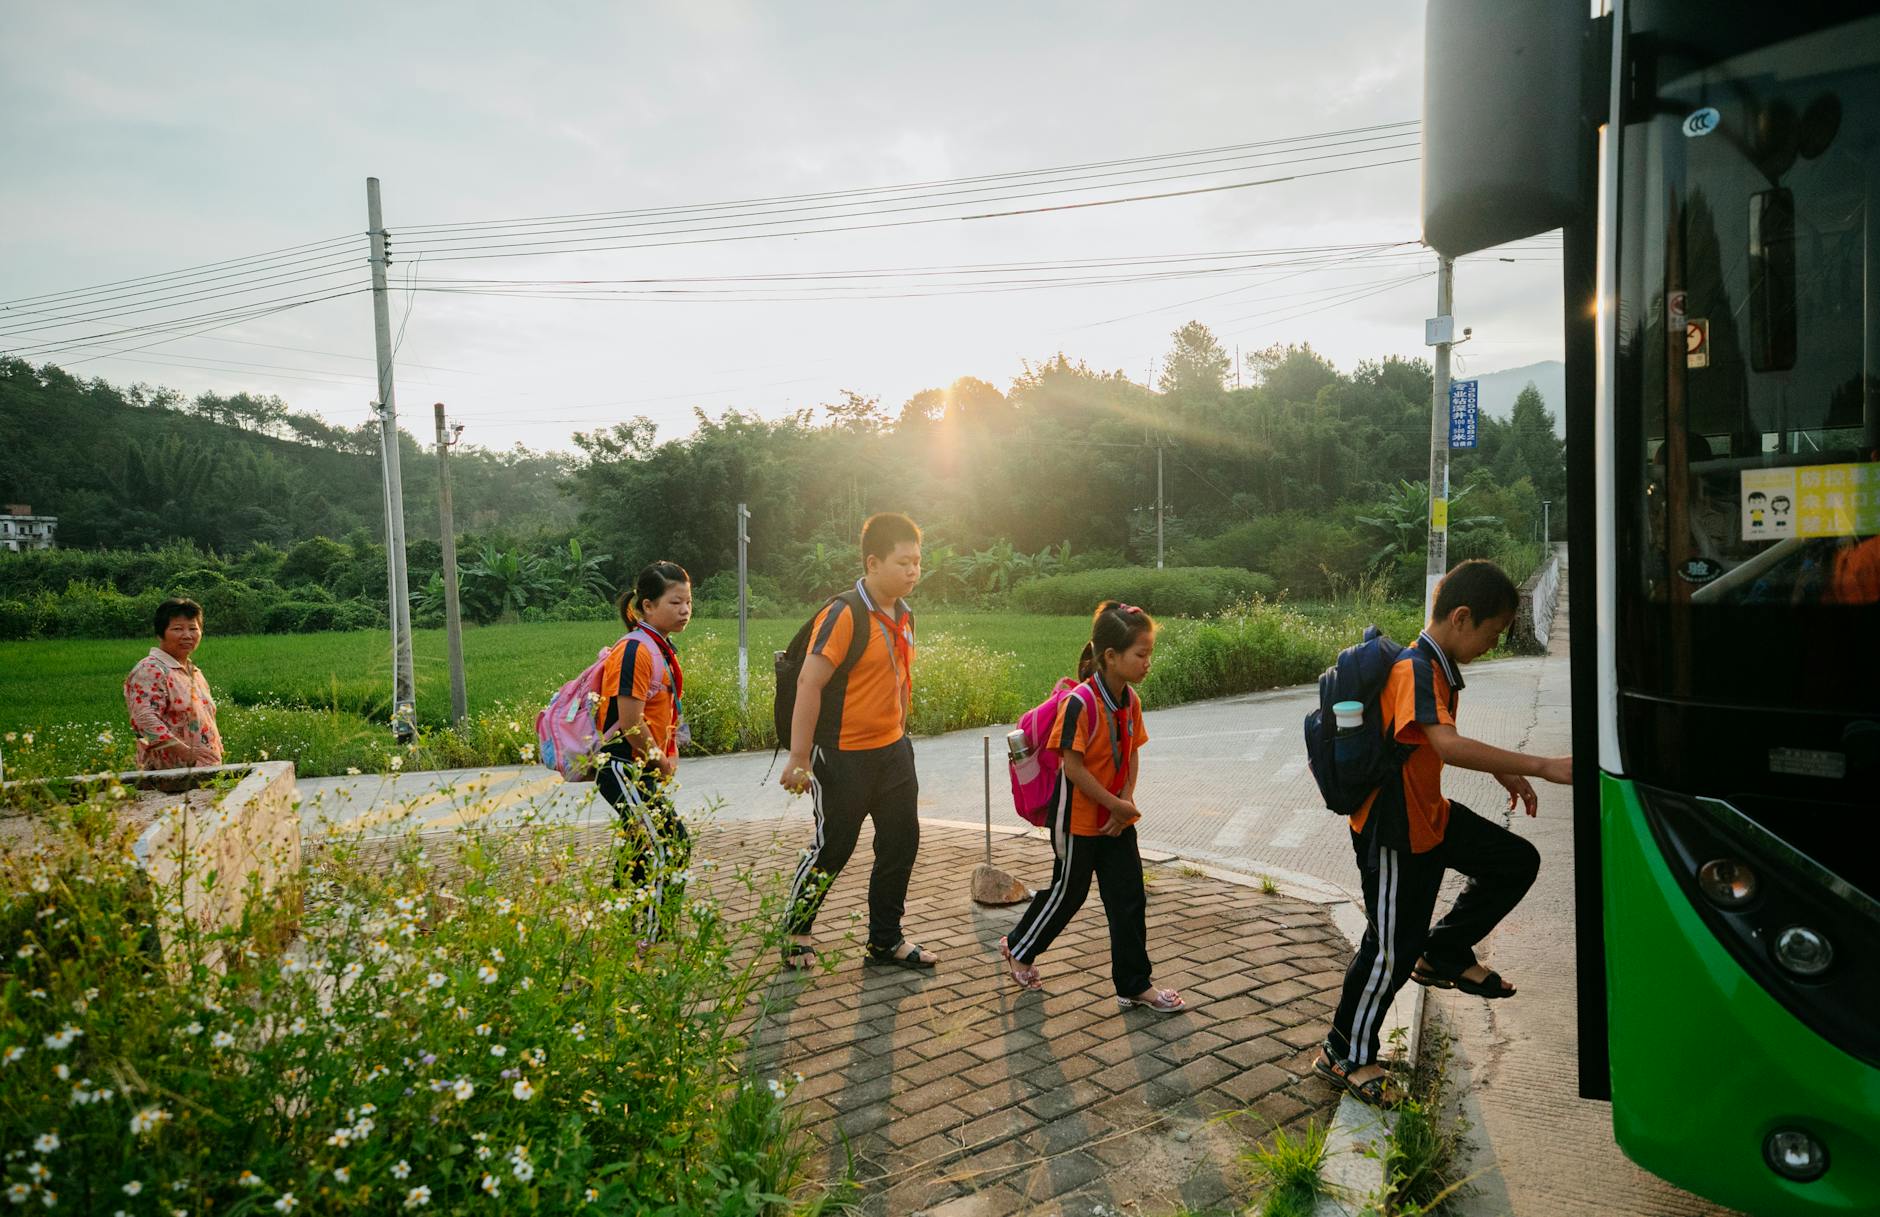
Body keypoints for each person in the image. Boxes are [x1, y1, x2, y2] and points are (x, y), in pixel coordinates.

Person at [1315, 560, 1571, 1107]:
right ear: (1461, 617)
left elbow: (1435, 740)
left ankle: (1447, 952)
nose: (1492, 644)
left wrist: (1503, 768)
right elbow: (1448, 745)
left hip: (1428, 813)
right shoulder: (1416, 669)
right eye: (1492, 632)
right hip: (1393, 829)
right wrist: (1544, 765)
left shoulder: (1435, 666)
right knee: (1390, 949)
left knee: (1513, 861)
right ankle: (1344, 1052)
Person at [1000, 601, 1185, 1012]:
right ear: (1111, 656)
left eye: (1149, 654)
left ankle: (1134, 984)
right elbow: (1072, 767)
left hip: (1117, 818)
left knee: (1129, 898)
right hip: (1078, 821)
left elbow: (1133, 751)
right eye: (1141, 654)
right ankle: (1019, 947)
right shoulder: (1080, 703)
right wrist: (1115, 805)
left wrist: (1126, 802)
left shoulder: (1130, 700)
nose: (1147, 663)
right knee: (1069, 893)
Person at [780, 512, 934, 971]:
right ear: (872, 562)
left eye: (918, 562)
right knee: (834, 847)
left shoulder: (904, 615)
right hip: (842, 757)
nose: (913, 571)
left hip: (893, 751)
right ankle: (796, 930)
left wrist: (900, 735)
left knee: (901, 842)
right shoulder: (844, 613)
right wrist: (800, 757)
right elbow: (809, 684)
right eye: (903, 562)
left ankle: (886, 940)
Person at [594, 561, 693, 940]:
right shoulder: (636, 650)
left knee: (637, 845)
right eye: (675, 602)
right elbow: (631, 722)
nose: (684, 610)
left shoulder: (659, 646)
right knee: (672, 841)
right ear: (647, 606)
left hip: (640, 767)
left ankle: (626, 929)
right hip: (623, 765)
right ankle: (657, 933)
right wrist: (661, 762)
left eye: (688, 602)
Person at [124, 597, 223, 770]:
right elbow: (144, 720)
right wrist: (185, 752)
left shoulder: (193, 672)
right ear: (160, 633)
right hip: (170, 778)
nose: (187, 635)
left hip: (202, 773)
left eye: (193, 628)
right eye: (177, 629)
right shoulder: (151, 670)